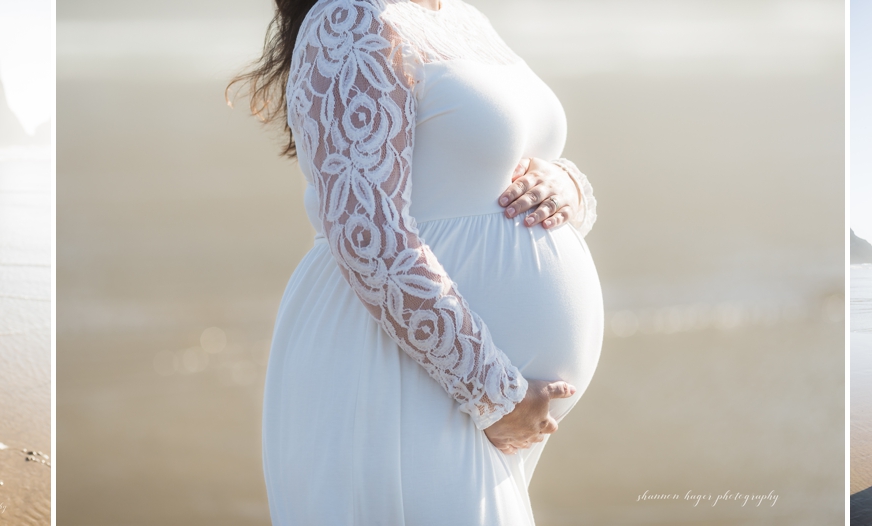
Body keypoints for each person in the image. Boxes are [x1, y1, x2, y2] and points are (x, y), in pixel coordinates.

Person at [231, 0, 604, 522]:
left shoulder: (462, 17)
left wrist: (565, 185)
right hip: (394, 367)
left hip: (464, 389)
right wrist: (494, 394)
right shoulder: (350, 19)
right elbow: (368, 235)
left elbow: (484, 169)